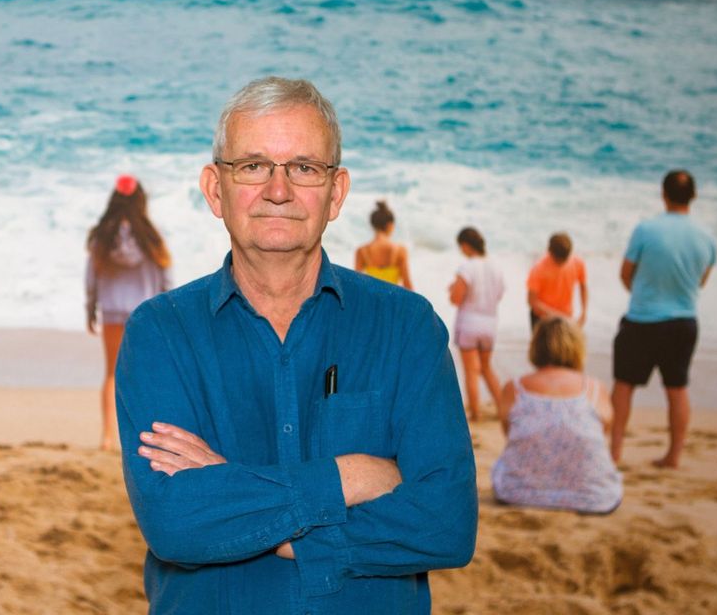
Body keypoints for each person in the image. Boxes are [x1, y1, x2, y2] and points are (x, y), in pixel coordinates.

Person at [117, 76, 476, 614]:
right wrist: (351, 475)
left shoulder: (407, 327)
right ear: (216, 189)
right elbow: (176, 523)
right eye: (254, 166)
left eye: (305, 168)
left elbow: (447, 523)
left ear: (336, 192)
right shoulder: (159, 333)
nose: (278, 190)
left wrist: (246, 501)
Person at [610, 170, 716, 469]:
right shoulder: (706, 235)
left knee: (624, 386)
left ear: (664, 194)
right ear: (693, 196)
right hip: (684, 320)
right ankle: (674, 455)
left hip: (642, 318)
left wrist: (644, 295)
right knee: (677, 388)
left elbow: (625, 274)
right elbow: (702, 280)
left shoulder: (646, 229)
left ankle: (615, 452)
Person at [492, 317, 622, 514]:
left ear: (536, 346)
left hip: (517, 492)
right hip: (593, 496)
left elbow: (509, 431)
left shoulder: (515, 388)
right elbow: (602, 431)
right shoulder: (595, 389)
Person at [85, 174, 172, 451]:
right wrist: (169, 311)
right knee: (144, 375)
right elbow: (166, 277)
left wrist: (91, 307)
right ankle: (143, 437)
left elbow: (91, 277)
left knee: (112, 374)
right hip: (145, 313)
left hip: (111, 312)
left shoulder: (103, 237)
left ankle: (107, 437)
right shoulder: (150, 237)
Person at [449, 226, 505, 422]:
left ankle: (475, 413)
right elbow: (499, 294)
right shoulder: (496, 266)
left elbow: (456, 298)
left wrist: (451, 290)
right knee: (487, 368)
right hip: (490, 323)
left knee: (471, 370)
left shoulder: (467, 268)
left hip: (469, 324)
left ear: (466, 245)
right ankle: (501, 407)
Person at [526, 232, 587, 330]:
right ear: (549, 252)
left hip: (566, 318)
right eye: (559, 260)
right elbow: (532, 301)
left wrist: (583, 313)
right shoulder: (538, 269)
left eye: (565, 259)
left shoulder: (578, 263)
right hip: (542, 319)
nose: (562, 263)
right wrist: (557, 316)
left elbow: (583, 286)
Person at [354, 200, 412, 289]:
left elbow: (356, 285)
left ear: (373, 225)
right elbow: (408, 286)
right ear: (390, 225)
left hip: (372, 301)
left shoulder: (362, 251)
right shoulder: (400, 250)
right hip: (393, 301)